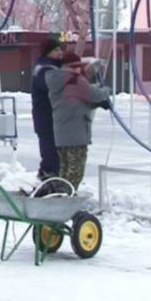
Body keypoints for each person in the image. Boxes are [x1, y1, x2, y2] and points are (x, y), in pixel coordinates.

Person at [45, 52, 113, 194]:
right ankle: (66, 198)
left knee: (65, 169)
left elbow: (73, 104)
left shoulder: (57, 81)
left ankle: (59, 195)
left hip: (61, 135)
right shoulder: (75, 80)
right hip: (76, 135)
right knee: (75, 171)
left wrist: (95, 105)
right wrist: (107, 90)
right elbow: (95, 94)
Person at [30, 35, 66, 181]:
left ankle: (51, 178)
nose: (60, 52)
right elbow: (55, 86)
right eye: (56, 50)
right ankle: (48, 179)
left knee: (55, 153)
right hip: (46, 119)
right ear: (47, 52)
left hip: (54, 119)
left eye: (60, 49)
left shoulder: (53, 67)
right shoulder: (44, 69)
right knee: (51, 153)